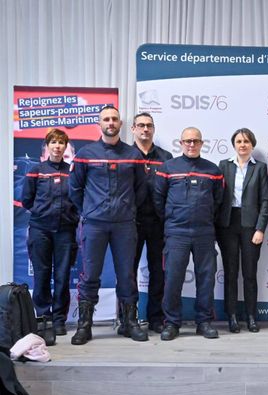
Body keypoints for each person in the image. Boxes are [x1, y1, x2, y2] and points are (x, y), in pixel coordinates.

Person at [69, 106, 148, 345]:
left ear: (121, 124)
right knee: (90, 274)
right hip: (94, 224)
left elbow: (141, 189)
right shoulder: (85, 153)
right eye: (106, 119)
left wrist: (128, 209)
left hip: (124, 224)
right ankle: (85, 325)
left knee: (126, 274)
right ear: (99, 123)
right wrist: (89, 211)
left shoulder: (133, 155)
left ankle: (129, 323)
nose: (110, 123)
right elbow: (75, 189)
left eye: (114, 119)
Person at [154, 127, 224, 341]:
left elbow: (218, 201)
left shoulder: (213, 170)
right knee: (173, 278)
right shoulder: (168, 168)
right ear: (181, 143)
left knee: (206, 279)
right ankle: (172, 323)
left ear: (202, 143)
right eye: (187, 141)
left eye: (195, 141)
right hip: (177, 233)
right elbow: (159, 200)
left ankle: (203, 322)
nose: (191, 144)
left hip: (204, 232)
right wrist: (173, 220)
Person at [21, 128, 79, 337]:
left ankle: (59, 320)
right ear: (47, 146)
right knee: (42, 274)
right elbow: (27, 199)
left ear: (66, 147)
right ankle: (43, 317)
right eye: (53, 142)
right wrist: (41, 213)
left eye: (61, 143)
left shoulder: (72, 171)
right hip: (40, 230)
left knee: (62, 276)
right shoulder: (36, 170)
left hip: (65, 231)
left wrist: (72, 217)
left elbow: (78, 199)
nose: (57, 146)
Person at [216, 128, 268, 333]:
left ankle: (251, 316)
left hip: (251, 226)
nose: (242, 145)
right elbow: (217, 197)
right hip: (228, 224)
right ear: (234, 145)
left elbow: (265, 201)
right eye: (239, 141)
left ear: (252, 145)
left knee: (250, 273)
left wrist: (260, 228)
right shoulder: (224, 166)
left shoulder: (260, 168)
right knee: (230, 273)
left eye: (246, 141)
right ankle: (231, 316)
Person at [128, 112, 172, 335]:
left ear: (153, 129)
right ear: (133, 129)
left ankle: (156, 317)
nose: (145, 129)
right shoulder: (125, 155)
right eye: (141, 126)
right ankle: (127, 318)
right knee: (128, 272)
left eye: (149, 126)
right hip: (129, 223)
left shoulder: (166, 157)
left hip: (158, 222)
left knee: (158, 271)